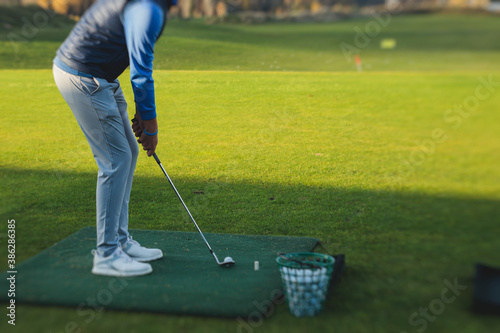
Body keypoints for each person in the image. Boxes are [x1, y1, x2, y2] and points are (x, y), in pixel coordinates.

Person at [53, 0, 175, 277]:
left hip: (102, 76)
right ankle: (107, 254)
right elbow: (141, 72)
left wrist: (143, 116)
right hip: (82, 76)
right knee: (115, 160)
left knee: (128, 152)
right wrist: (151, 128)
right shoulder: (147, 8)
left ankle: (120, 242)